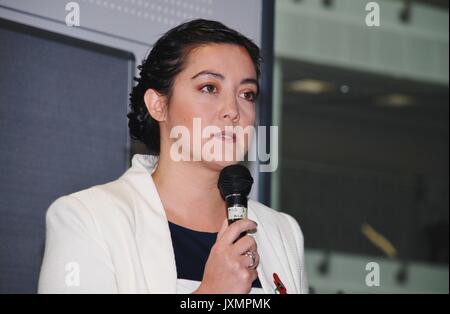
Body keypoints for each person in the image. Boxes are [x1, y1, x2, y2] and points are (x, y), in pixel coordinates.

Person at [38, 19, 308, 294]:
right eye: (209, 88)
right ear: (158, 104)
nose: (232, 110)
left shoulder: (282, 232)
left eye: (247, 94)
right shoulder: (89, 218)